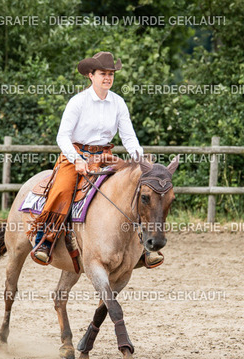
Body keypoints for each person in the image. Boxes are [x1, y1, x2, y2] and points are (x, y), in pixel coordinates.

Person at [28, 51, 163, 268]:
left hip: (105, 157)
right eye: (103, 73)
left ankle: (143, 245)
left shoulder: (118, 103)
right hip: (75, 155)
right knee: (62, 189)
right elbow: (62, 136)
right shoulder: (78, 102)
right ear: (91, 75)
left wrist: (141, 162)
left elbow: (129, 137)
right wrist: (77, 159)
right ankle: (46, 239)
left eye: (111, 74)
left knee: (134, 189)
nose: (108, 78)